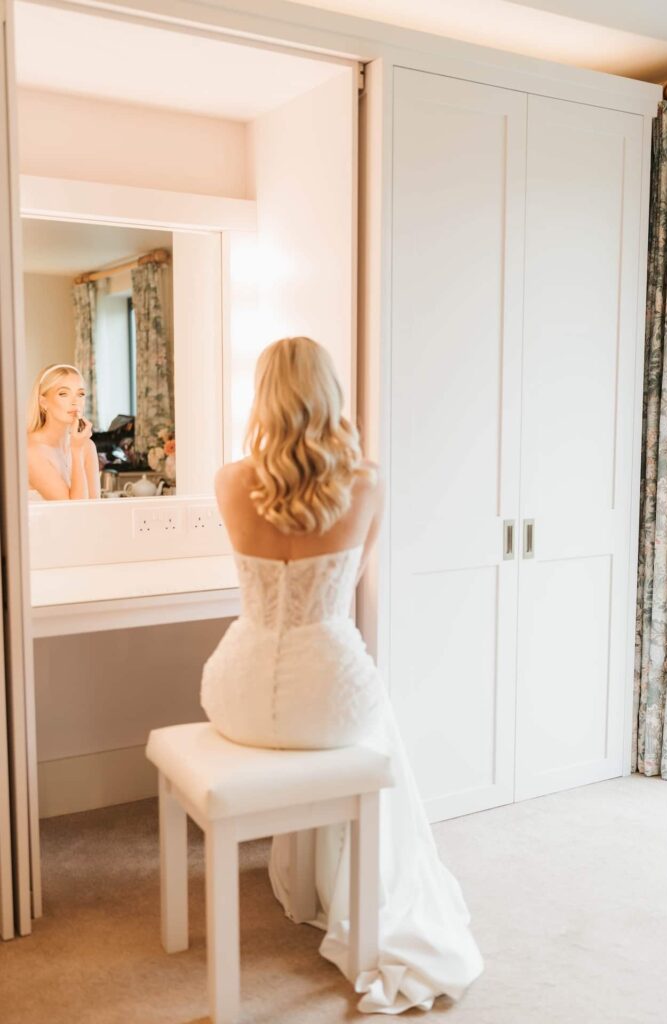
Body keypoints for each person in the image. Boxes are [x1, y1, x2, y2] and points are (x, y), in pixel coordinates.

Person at [200, 336, 484, 1014]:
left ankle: (309, 881)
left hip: (236, 690)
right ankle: (355, 889)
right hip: (324, 688)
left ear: (261, 394)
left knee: (353, 710)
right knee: (375, 722)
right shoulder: (368, 480)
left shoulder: (228, 479)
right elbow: (348, 582)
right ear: (330, 393)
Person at [26, 363, 101, 500]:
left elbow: (93, 508)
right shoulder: (30, 451)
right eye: (63, 394)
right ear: (43, 402)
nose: (75, 402)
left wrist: (78, 448)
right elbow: (74, 512)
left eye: (80, 394)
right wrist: (76, 452)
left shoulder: (87, 446)